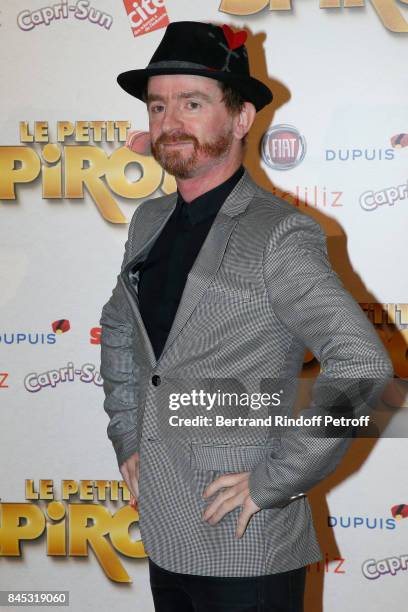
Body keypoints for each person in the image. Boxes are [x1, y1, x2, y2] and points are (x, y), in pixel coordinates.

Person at [100, 21, 393, 612]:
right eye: (158, 106)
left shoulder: (278, 234)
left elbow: (362, 366)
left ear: (240, 120)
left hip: (245, 546)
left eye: (192, 102)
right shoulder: (149, 221)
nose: (170, 121)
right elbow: (118, 329)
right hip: (165, 534)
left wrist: (274, 481)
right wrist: (128, 432)